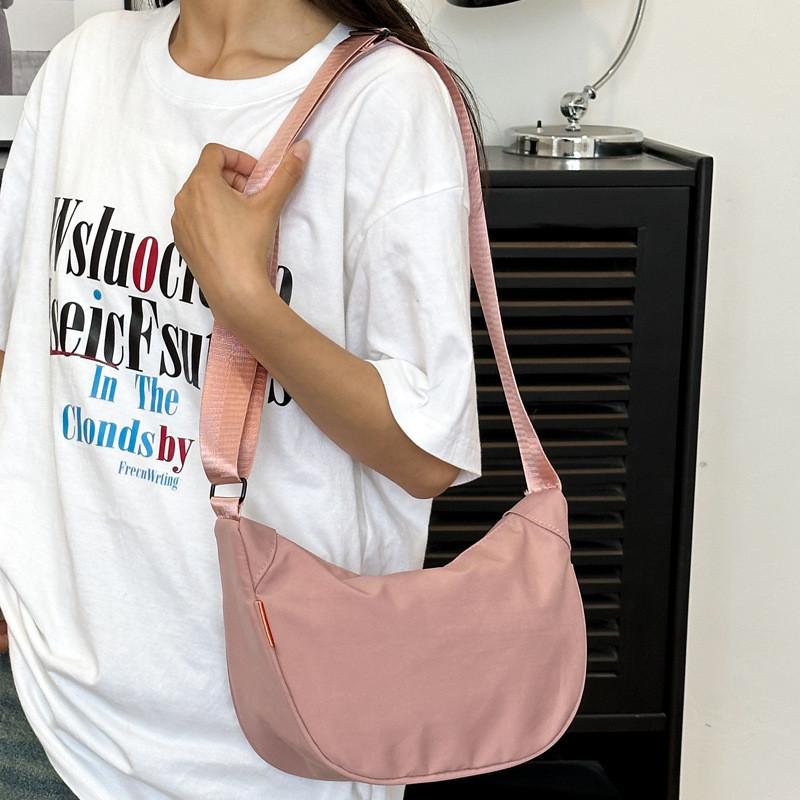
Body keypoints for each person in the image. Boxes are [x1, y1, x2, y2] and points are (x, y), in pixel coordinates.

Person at [0, 0, 485, 797]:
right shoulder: (87, 65)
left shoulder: (385, 98)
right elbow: (20, 348)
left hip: (281, 743)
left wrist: (241, 296)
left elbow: (425, 455)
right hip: (49, 713)